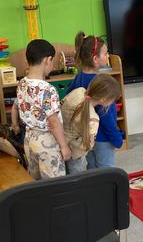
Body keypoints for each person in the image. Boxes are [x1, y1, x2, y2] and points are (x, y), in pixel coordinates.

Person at [12, 39, 70, 179]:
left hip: (29, 139)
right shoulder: (48, 89)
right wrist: (64, 146)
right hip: (47, 141)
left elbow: (16, 107)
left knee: (36, 181)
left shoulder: (22, 83)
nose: (53, 65)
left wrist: (15, 124)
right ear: (47, 60)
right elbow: (53, 121)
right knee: (54, 183)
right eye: (52, 61)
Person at [67, 32, 123, 167]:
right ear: (95, 59)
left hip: (87, 136)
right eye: (105, 53)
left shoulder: (79, 77)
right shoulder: (101, 82)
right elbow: (106, 115)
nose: (108, 56)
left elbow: (70, 97)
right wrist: (116, 138)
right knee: (106, 170)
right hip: (103, 137)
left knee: (92, 168)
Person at [61, 74, 121, 174]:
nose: (112, 103)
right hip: (75, 152)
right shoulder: (93, 119)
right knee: (78, 176)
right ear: (103, 99)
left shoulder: (79, 91)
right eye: (112, 100)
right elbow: (88, 145)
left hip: (61, 141)